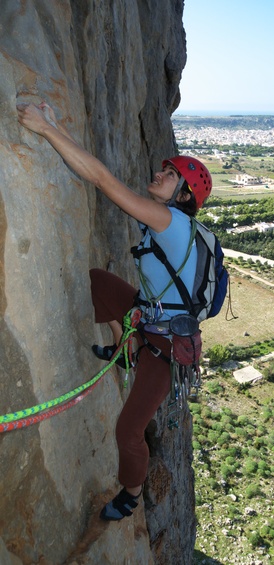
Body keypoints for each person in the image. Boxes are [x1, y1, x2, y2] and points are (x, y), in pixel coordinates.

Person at [17, 102, 212, 521]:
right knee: (99, 282)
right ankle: (125, 348)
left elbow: (103, 180)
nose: (158, 173)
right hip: (150, 323)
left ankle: (132, 494)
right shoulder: (174, 224)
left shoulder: (168, 221)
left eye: (170, 174)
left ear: (183, 196)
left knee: (128, 430)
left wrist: (48, 129)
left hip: (166, 347)